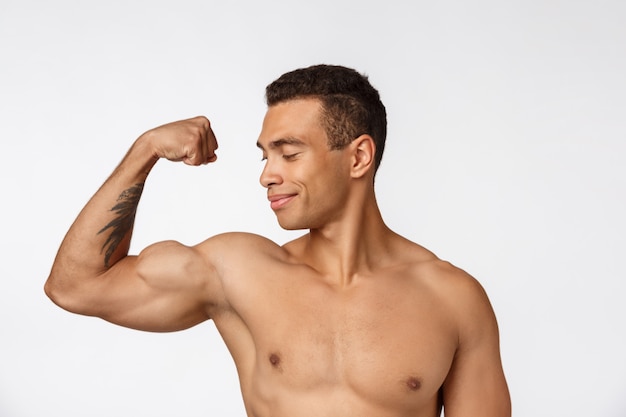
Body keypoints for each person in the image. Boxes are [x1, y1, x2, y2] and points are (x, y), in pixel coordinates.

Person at [45, 64, 511, 417]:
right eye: (266, 156)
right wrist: (144, 150)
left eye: (289, 154)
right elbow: (75, 286)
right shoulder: (239, 271)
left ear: (359, 157)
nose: (268, 175)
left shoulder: (451, 298)